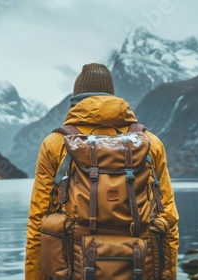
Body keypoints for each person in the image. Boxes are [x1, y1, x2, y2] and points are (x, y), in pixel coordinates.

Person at [25, 63, 179, 279]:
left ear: (76, 101)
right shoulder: (151, 143)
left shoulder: (55, 144)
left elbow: (37, 222)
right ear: (112, 97)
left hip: (74, 269)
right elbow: (169, 219)